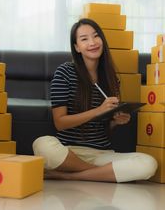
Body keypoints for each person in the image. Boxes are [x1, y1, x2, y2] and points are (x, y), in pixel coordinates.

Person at [33, 18, 157, 183]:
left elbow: (104, 126)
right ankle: (101, 174)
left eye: (96, 36)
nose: (92, 42)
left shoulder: (111, 78)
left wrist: (115, 121)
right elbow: (60, 122)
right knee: (42, 144)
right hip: (68, 152)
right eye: (84, 39)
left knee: (148, 163)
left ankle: (65, 175)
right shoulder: (64, 72)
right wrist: (98, 110)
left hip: (102, 154)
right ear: (77, 47)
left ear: (102, 40)